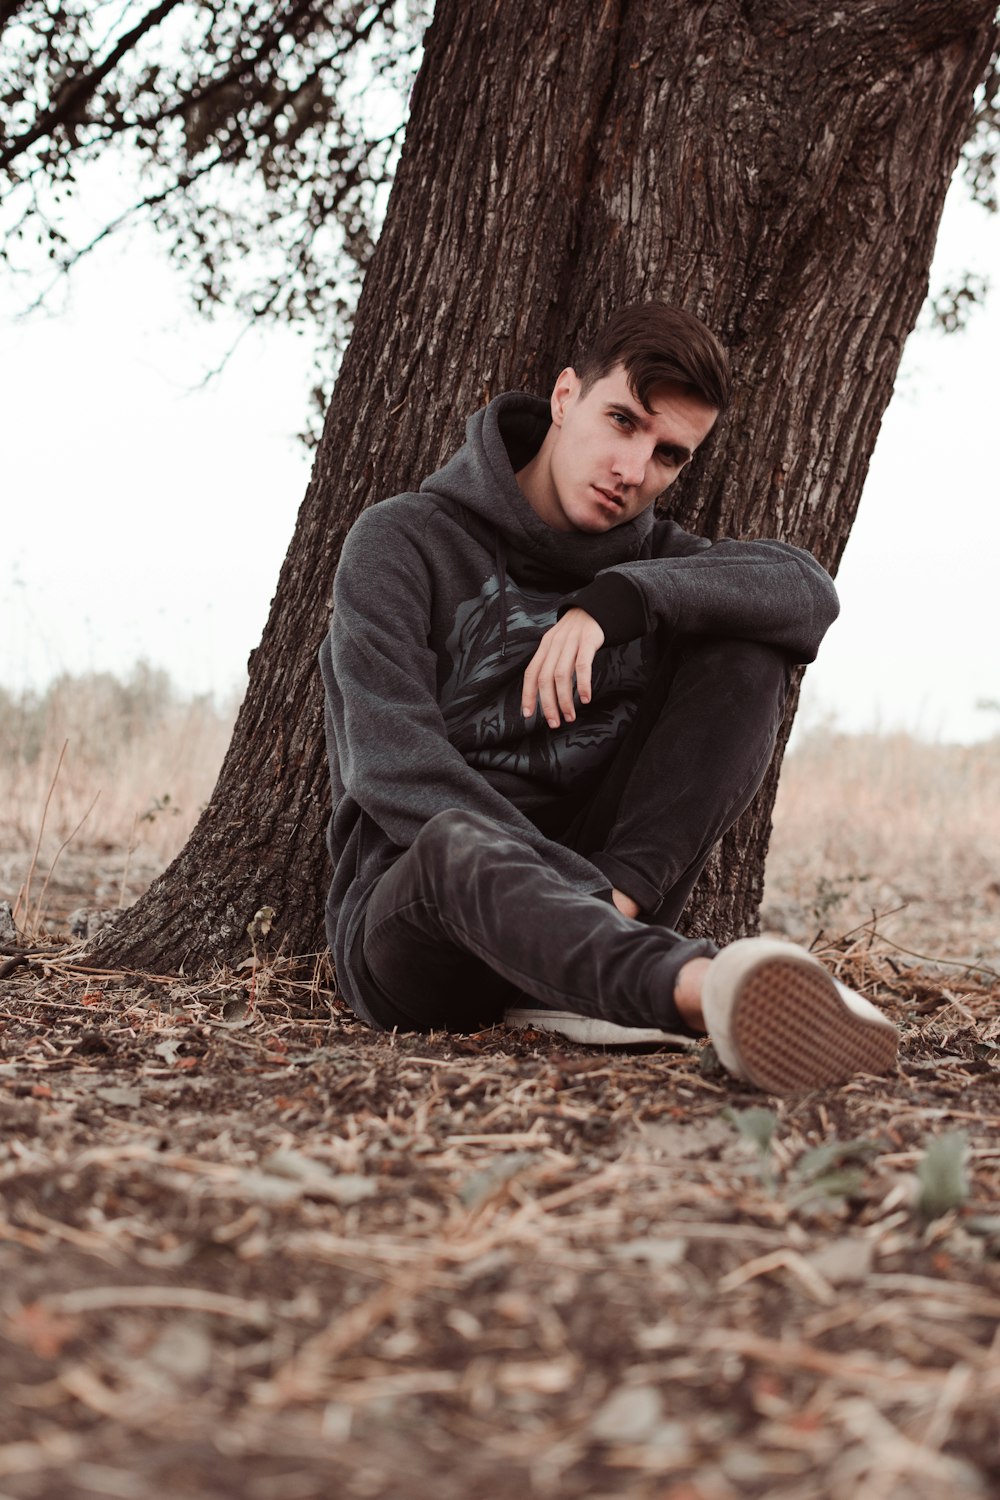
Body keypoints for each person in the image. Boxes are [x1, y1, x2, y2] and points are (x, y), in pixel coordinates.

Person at [319, 303, 898, 1094]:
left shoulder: (663, 562)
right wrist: (576, 897)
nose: (633, 470)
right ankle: (704, 993)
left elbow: (804, 592)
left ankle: (594, 973)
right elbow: (391, 770)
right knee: (458, 841)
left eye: (668, 455)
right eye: (621, 421)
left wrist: (618, 600)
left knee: (748, 642)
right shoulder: (403, 541)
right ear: (564, 398)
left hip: (608, 908)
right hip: (424, 923)